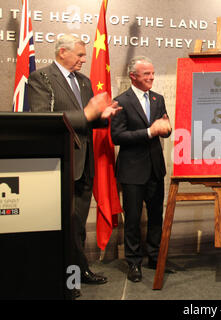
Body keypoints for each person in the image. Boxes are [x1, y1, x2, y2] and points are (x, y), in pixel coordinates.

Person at [28, 34, 122, 298]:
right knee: (63, 226)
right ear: (62, 53)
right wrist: (87, 114)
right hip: (59, 164)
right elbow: (43, 118)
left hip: (85, 164)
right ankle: (66, 281)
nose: (84, 59)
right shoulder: (42, 78)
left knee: (78, 225)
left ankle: (80, 271)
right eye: (79, 55)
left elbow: (88, 121)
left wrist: (103, 117)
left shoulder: (84, 81)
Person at [111, 56, 172, 283]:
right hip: (132, 171)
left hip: (156, 169)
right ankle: (134, 263)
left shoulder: (158, 99)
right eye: (146, 74)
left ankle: (156, 258)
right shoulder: (120, 101)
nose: (152, 77)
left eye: (153, 73)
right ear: (133, 76)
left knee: (157, 216)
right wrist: (150, 131)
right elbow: (117, 136)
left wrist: (166, 129)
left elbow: (165, 127)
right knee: (134, 219)